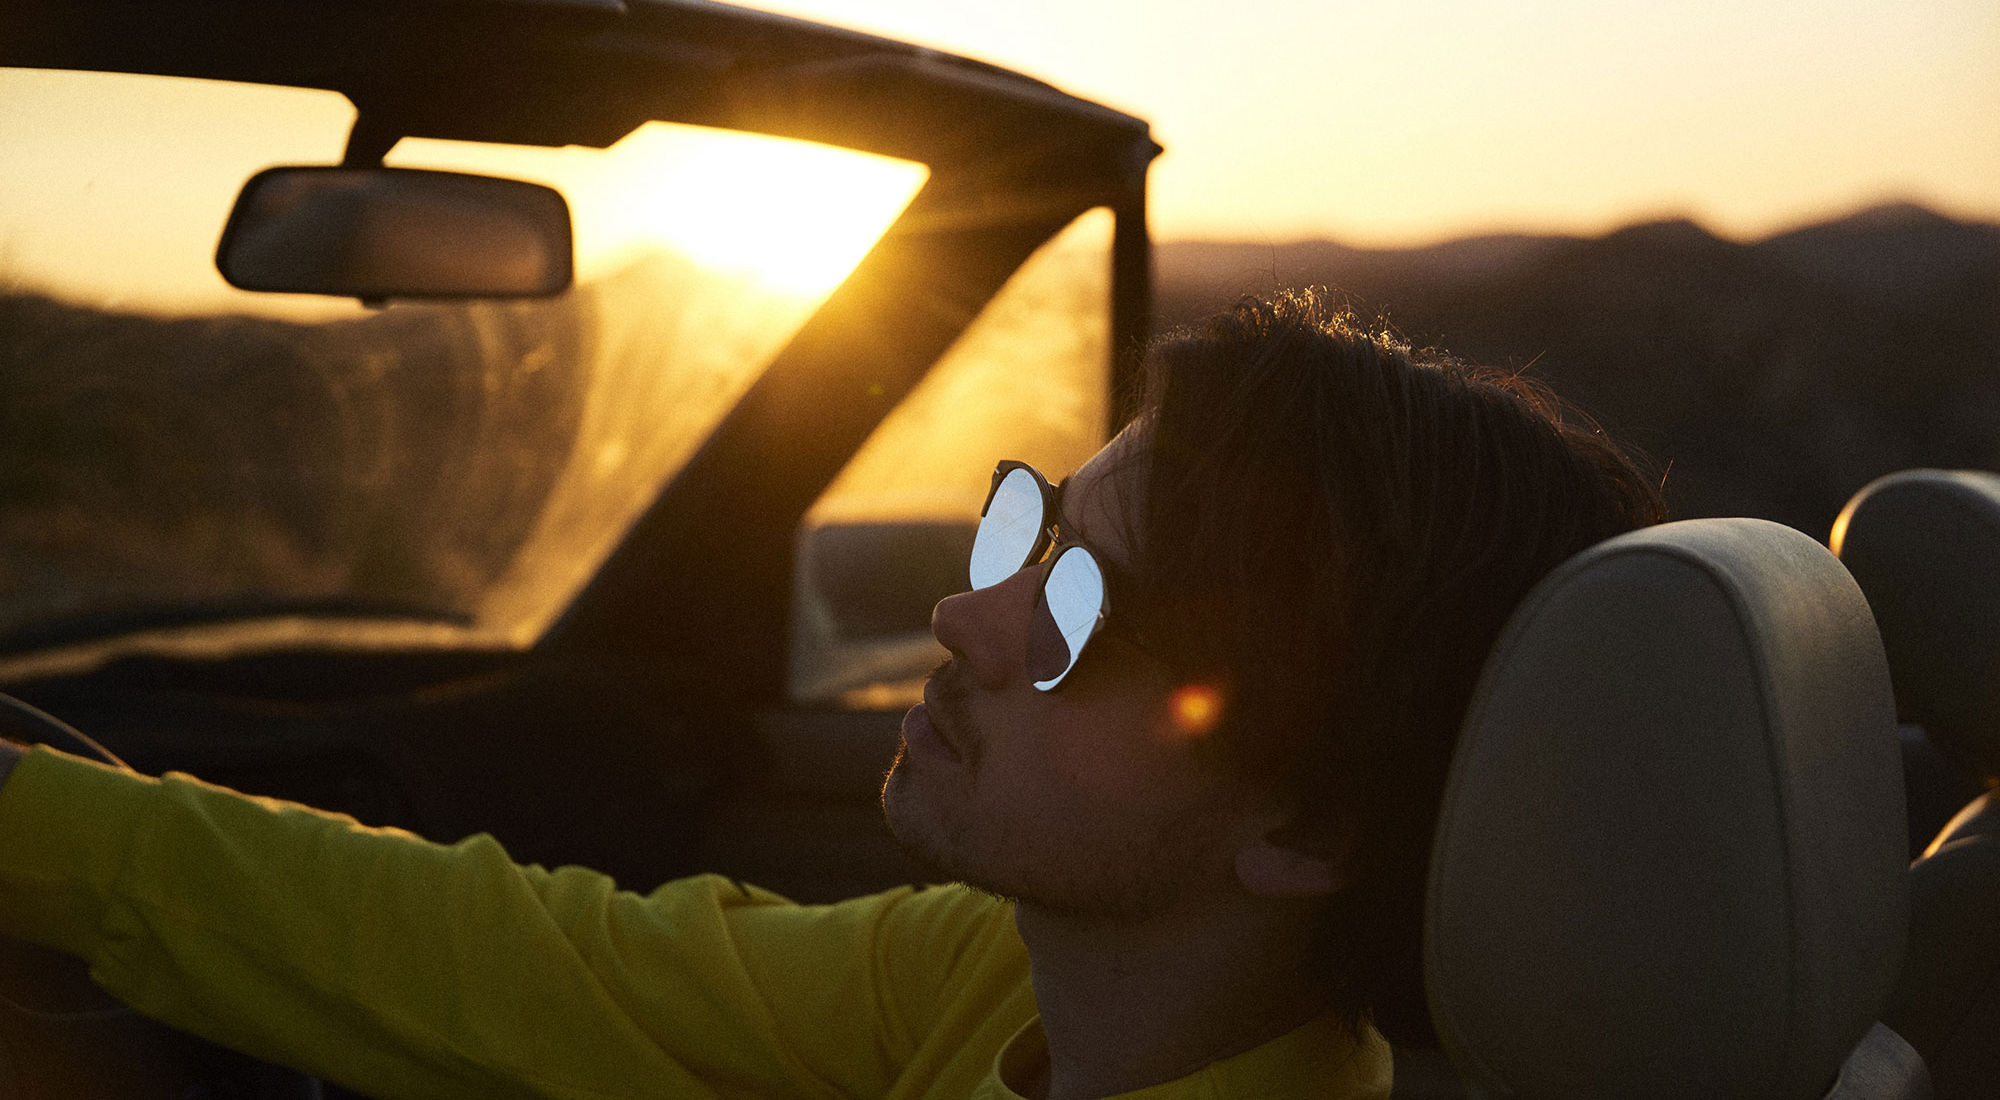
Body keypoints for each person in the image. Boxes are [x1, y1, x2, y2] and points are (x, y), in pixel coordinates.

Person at [0, 292, 1665, 1099]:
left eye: (1076, 608)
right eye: (1032, 527)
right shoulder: (1002, 983)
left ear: (1307, 829)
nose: (959, 609)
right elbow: (541, 965)